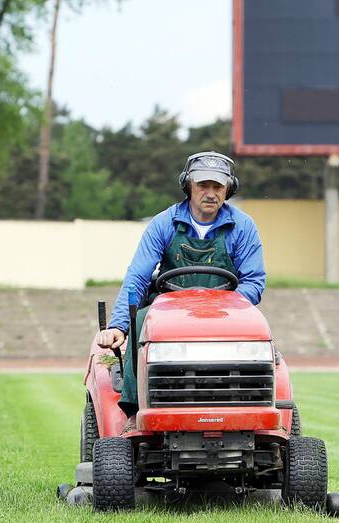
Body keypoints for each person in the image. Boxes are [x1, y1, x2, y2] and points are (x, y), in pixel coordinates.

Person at [97, 150, 266, 419]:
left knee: (256, 335)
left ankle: (245, 403)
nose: (210, 193)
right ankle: (135, 409)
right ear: (188, 185)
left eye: (217, 186)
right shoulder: (163, 223)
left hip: (225, 312)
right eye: (203, 185)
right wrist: (118, 324)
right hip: (167, 311)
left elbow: (254, 282)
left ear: (228, 189)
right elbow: (138, 276)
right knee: (141, 320)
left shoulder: (243, 227)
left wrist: (226, 308)